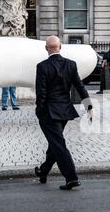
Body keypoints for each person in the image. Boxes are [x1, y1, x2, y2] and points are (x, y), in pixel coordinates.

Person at [34, 35, 93, 190]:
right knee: (55, 143)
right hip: (65, 111)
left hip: (49, 112)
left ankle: (71, 178)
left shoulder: (42, 66)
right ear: (60, 47)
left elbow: (41, 92)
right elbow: (80, 87)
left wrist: (39, 111)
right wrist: (89, 106)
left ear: (46, 48)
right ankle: (43, 171)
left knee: (58, 144)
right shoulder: (71, 65)